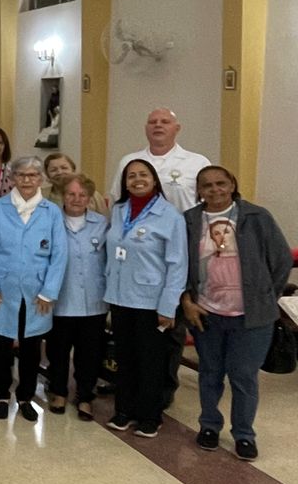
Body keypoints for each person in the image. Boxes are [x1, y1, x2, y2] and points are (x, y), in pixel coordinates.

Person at [181, 165, 291, 461]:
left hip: (251, 317)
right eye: (207, 185)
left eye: (221, 183)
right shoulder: (189, 220)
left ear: (232, 185)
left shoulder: (257, 217)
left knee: (243, 376)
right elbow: (179, 265)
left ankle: (244, 434)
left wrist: (264, 296)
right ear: (199, 190)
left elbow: (281, 260)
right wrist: (187, 299)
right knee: (210, 373)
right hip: (207, 313)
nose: (214, 189)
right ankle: (209, 426)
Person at [0, 155, 67, 423]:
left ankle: (26, 396)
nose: (27, 180)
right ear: (12, 178)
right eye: (21, 175)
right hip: (1, 290)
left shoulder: (52, 212)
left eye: (33, 175)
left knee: (31, 347)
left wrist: (49, 291)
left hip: (37, 292)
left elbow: (59, 255)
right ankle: (1, 395)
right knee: (1, 345)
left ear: (41, 179)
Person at [104, 160, 188, 439]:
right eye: (131, 176)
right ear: (125, 182)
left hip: (151, 301)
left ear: (154, 180)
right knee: (125, 357)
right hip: (120, 297)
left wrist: (169, 305)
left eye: (143, 175)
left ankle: (150, 416)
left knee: (151, 361)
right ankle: (124, 410)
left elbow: (177, 264)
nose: (137, 180)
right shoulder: (119, 211)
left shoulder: (170, 216)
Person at [44, 175, 109, 421]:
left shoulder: (101, 224)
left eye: (82, 195)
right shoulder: (51, 222)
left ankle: (85, 396)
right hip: (60, 299)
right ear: (63, 196)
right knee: (58, 351)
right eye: (71, 194)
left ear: (89, 198)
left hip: (94, 301)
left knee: (89, 353)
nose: (77, 199)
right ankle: (59, 391)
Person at [111, 107, 209, 214]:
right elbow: (117, 200)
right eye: (152, 122)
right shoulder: (129, 161)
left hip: (185, 224)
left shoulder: (198, 162)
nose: (158, 125)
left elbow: (208, 203)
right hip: (136, 223)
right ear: (146, 129)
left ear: (177, 128)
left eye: (165, 122)